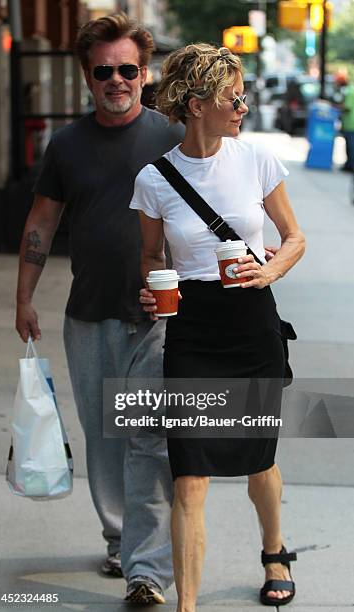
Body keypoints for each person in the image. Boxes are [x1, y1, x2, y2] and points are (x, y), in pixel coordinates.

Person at [15, 13, 184, 605]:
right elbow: (42, 221)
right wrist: (24, 298)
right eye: (104, 71)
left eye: (128, 69)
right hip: (88, 315)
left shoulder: (173, 136)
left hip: (160, 319)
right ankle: (119, 536)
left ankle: (146, 566)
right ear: (89, 77)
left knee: (147, 437)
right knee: (105, 436)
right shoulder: (67, 145)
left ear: (145, 73)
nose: (117, 80)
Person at [130, 44, 305, 610]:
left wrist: (269, 268)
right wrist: (154, 290)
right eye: (234, 96)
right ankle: (187, 605)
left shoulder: (256, 160)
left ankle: (274, 550)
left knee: (259, 462)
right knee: (190, 475)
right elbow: (152, 256)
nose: (244, 106)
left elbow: (294, 236)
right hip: (193, 331)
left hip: (252, 323)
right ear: (198, 101)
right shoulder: (155, 179)